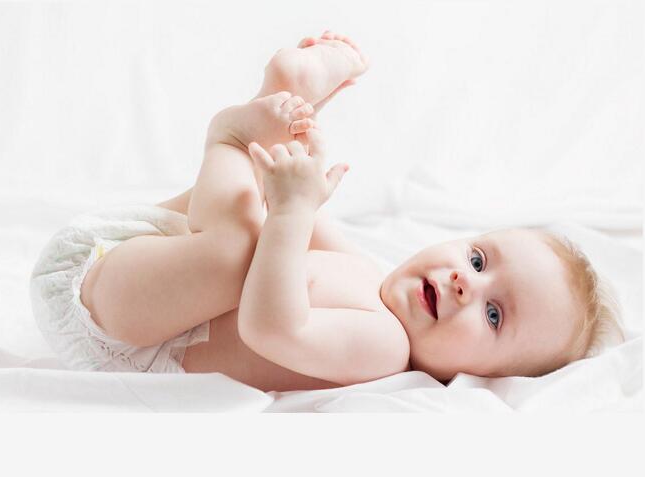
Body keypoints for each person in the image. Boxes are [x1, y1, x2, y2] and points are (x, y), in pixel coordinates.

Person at [30, 32, 623, 392]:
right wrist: (302, 162)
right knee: (262, 212)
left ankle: (232, 137)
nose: (467, 283)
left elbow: (273, 328)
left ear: (486, 377)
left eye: (494, 315)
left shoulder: (385, 348)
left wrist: (290, 214)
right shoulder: (370, 273)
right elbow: (300, 214)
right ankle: (283, 106)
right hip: (131, 260)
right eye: (478, 259)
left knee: (246, 248)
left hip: (120, 328)